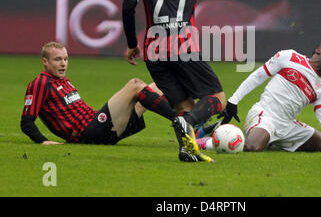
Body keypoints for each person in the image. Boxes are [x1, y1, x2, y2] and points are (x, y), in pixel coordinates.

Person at [121, 0, 241, 160]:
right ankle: (187, 124)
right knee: (216, 99)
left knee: (184, 104)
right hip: (183, 45)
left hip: (153, 50)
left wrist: (132, 43)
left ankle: (187, 149)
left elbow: (127, 6)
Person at [20, 42, 211, 162]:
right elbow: (26, 122)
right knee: (135, 85)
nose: (63, 63)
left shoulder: (64, 81)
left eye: (66, 59)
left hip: (99, 126)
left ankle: (196, 125)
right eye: (57, 59)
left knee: (161, 85)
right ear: (45, 61)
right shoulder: (41, 83)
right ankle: (181, 121)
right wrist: (43, 141)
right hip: (88, 133)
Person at [197, 44, 321, 154]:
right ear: (319, 50)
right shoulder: (290, 57)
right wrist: (233, 100)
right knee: (252, 147)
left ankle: (271, 142)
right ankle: (206, 141)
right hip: (266, 116)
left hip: (288, 126)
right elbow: (258, 76)